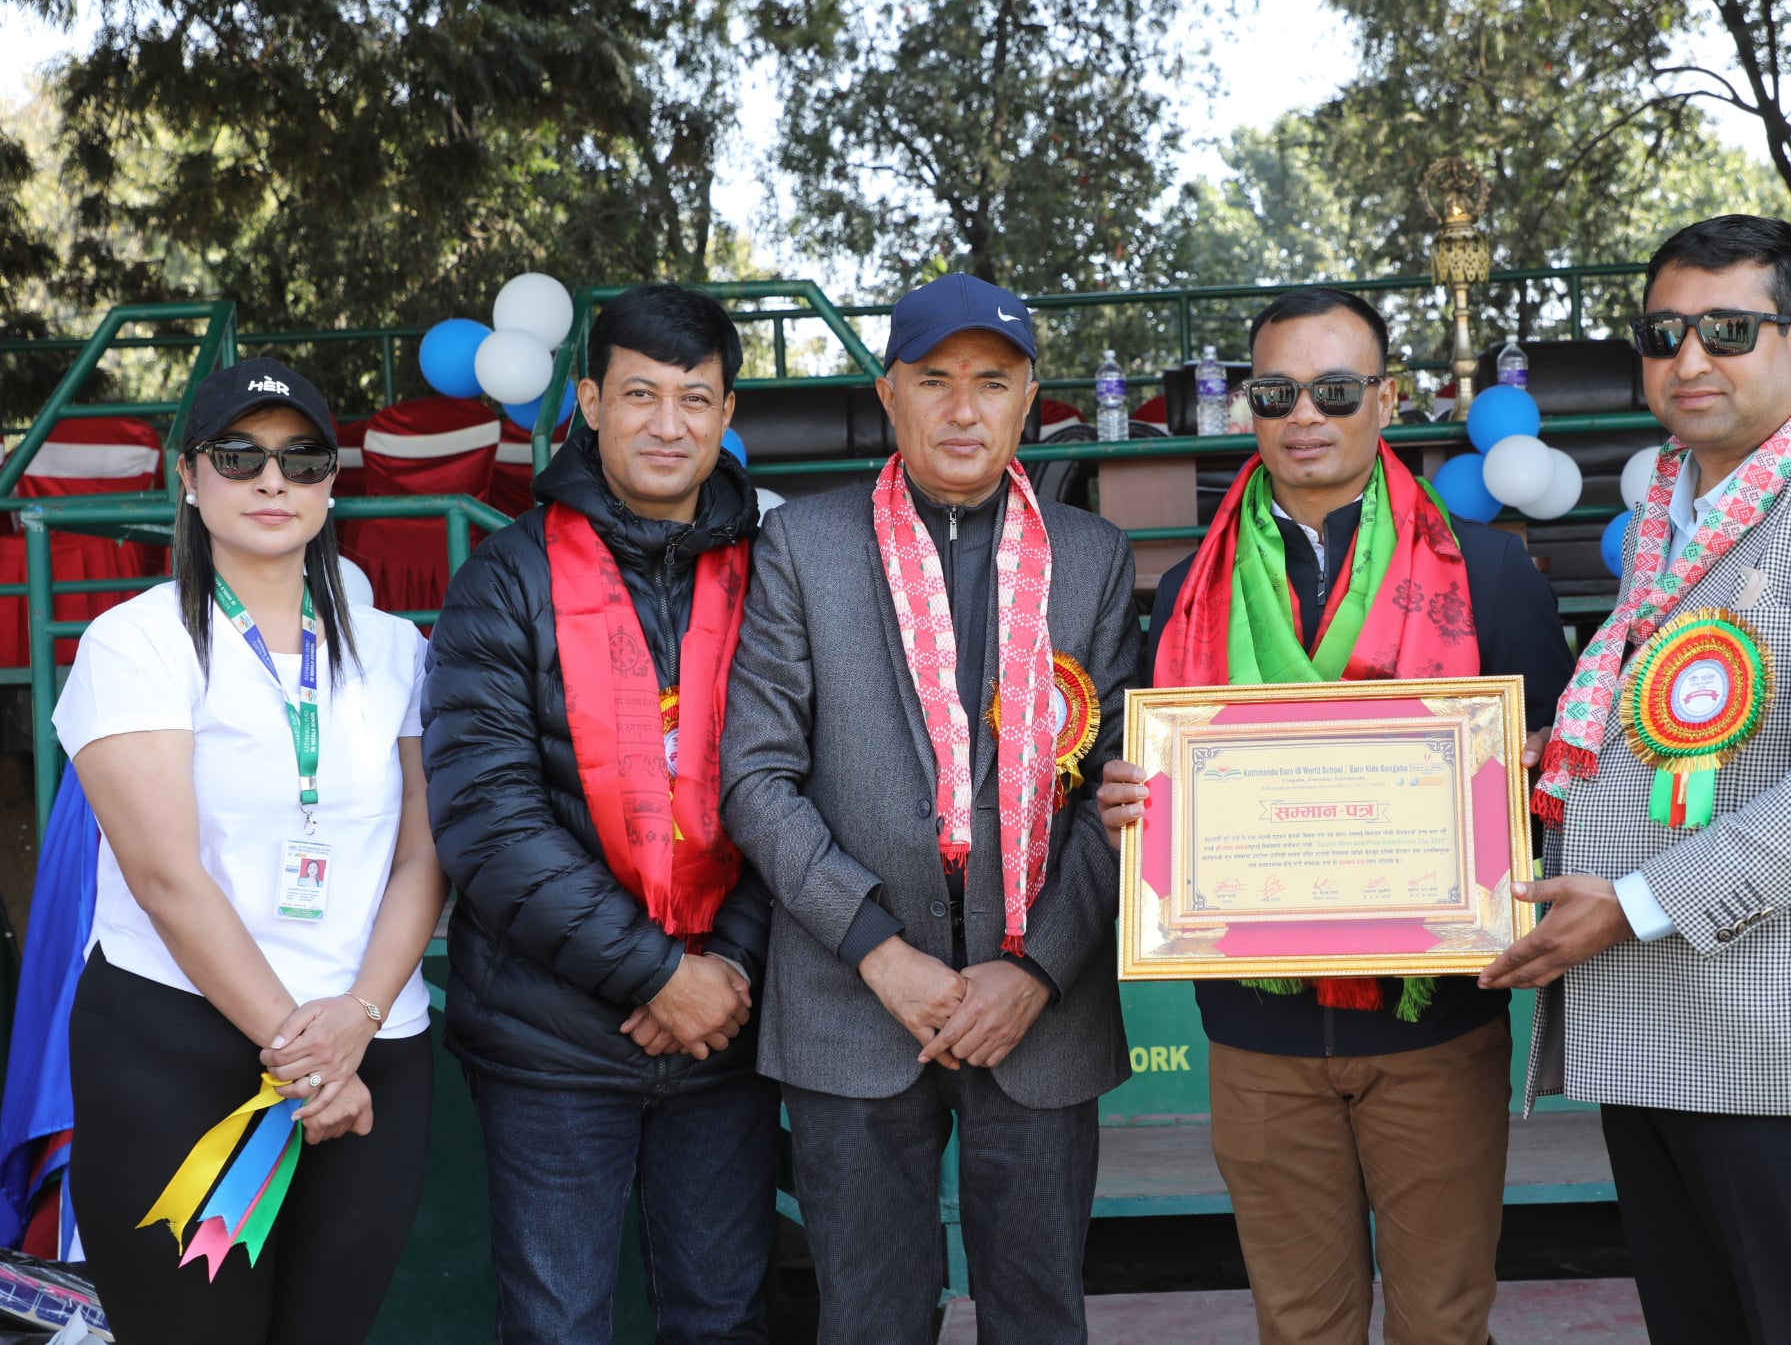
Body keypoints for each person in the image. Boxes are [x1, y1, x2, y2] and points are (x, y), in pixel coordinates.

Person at [1478, 215, 1791, 1342]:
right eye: (1663, 334)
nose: (1689, 358)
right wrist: (1549, 755)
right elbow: (1682, 732)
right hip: (1658, 1038)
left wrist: (1634, 903)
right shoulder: (1669, 502)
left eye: (1727, 329)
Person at [1095, 286, 1574, 1345]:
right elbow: (1154, 786)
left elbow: (1557, 789)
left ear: (1385, 400)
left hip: (1434, 1024)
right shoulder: (1187, 592)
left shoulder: (1487, 572)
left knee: (1442, 1323)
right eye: (1275, 393)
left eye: (1335, 390)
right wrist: (1127, 799)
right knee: (1299, 1324)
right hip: (1256, 1032)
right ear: (1248, 410)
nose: (1303, 414)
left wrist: (1526, 777)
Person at [720, 273, 1139, 1344]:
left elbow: (1119, 793)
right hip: (851, 999)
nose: (962, 410)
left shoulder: (1092, 557)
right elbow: (756, 777)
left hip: (1039, 1013)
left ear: (1028, 399)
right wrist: (876, 948)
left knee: (1039, 1315)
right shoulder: (802, 545)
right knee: (869, 1317)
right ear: (888, 394)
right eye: (933, 380)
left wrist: (1037, 968)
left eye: (991, 383)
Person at [56, 357, 443, 1344]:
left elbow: (424, 858)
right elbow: (165, 876)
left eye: (302, 459)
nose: (273, 480)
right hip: (180, 1049)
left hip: (370, 1048)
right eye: (239, 456)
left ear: (330, 483)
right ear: (190, 475)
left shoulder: (396, 649)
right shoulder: (135, 642)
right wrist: (309, 1060)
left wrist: (357, 1020)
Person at [421, 285, 772, 1344]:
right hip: (552, 1041)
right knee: (558, 1325)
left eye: (694, 399)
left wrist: (726, 969)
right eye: (640, 395)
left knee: (722, 1319)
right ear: (589, 402)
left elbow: (795, 791)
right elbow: (488, 821)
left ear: (725, 414)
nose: (668, 424)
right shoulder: (503, 578)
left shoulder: (772, 576)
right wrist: (659, 976)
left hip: (726, 1030)